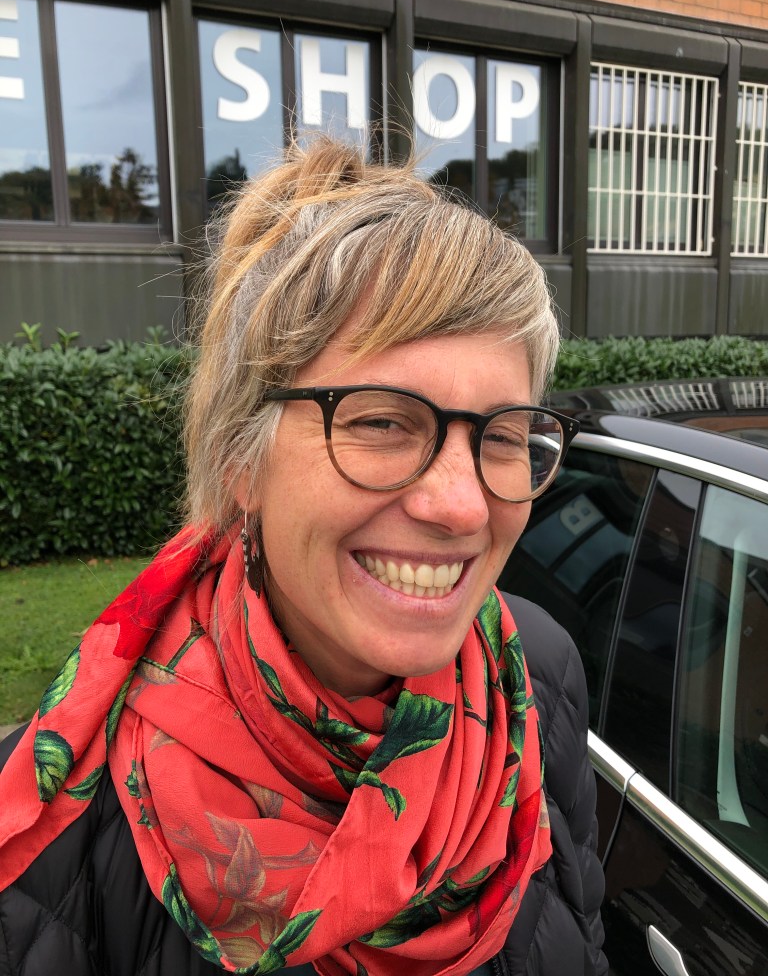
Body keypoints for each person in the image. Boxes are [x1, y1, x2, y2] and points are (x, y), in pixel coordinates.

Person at [0, 136, 607, 976]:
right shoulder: (63, 827)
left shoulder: (537, 673)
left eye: (502, 435)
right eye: (382, 421)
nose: (463, 506)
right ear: (239, 459)